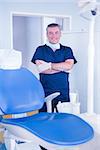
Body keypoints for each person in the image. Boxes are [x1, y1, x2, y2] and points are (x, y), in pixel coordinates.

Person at [31, 23, 77, 112]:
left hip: (62, 90)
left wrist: (49, 65)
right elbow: (41, 69)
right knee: (45, 118)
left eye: (56, 32)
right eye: (50, 33)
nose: (53, 35)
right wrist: (62, 68)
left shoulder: (67, 50)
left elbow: (69, 66)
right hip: (46, 90)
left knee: (63, 118)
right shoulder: (40, 50)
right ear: (47, 34)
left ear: (60, 34)